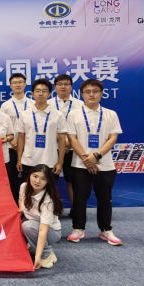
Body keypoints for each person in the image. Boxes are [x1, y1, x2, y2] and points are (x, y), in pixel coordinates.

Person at [66, 79, 123, 246]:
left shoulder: (111, 114)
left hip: (104, 164)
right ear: (82, 94)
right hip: (80, 164)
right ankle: (78, 228)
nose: (91, 94)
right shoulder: (73, 114)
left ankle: (106, 229)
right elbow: (72, 138)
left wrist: (96, 156)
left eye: (95, 91)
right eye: (87, 92)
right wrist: (87, 160)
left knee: (105, 198)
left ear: (101, 93)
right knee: (79, 198)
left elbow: (112, 138)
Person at [16, 79, 67, 181]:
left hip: (50, 161)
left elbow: (62, 139)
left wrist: (60, 162)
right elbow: (21, 137)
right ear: (32, 94)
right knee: (28, 189)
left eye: (44, 91)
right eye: (38, 91)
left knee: (49, 190)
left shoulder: (58, 115)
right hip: (28, 161)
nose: (41, 94)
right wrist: (19, 159)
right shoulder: (24, 114)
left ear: (49, 94)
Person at [48, 74, 84, 216]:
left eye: (66, 84)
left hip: (73, 148)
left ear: (71, 87)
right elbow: (44, 127)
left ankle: (76, 211)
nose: (63, 87)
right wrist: (62, 140)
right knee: (50, 180)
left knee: (72, 180)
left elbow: (83, 127)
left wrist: (70, 142)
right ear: (55, 87)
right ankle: (51, 211)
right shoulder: (48, 104)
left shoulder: (80, 104)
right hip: (52, 148)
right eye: (60, 84)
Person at [19, 164, 64, 269]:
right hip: (32, 223)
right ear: (30, 175)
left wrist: (38, 256)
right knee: (15, 225)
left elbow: (43, 230)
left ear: (48, 182)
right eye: (35, 176)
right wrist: (21, 208)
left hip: (51, 232)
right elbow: (21, 199)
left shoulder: (48, 201)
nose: (37, 181)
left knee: (27, 226)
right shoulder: (24, 186)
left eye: (43, 179)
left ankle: (47, 254)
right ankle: (32, 243)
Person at [0, 73, 32, 199]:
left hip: (29, 146)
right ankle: (13, 204)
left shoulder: (32, 104)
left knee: (29, 178)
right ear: (10, 85)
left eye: (20, 82)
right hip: (10, 147)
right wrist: (13, 142)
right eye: (15, 82)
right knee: (11, 178)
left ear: (25, 84)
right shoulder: (5, 105)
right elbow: (1, 126)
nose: (18, 85)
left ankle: (29, 204)